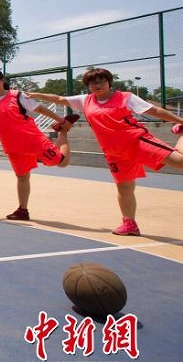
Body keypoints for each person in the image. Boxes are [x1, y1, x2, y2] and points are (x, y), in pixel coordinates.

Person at [29, 68, 183, 236]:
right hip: (114, 152)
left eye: (101, 81)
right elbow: (59, 99)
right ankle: (129, 224)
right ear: (88, 86)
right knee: (124, 189)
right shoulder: (84, 101)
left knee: (180, 162)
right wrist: (37, 94)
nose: (97, 85)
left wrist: (179, 120)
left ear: (109, 82)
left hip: (136, 141)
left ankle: (182, 131)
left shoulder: (126, 97)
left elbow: (154, 111)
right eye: (92, 83)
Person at [0, 69, 76, 222]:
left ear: (2, 80)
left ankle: (61, 132)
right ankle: (22, 210)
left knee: (60, 162)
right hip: (13, 146)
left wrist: (61, 121)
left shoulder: (17, 96)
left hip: (32, 140)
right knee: (22, 176)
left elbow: (40, 109)